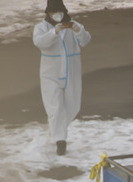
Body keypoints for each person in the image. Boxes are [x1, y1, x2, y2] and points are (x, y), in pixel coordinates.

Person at [33, 0, 91, 156]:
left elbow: (85, 41)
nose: (56, 15)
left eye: (59, 12)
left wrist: (78, 31)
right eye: (53, 13)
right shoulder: (41, 28)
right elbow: (39, 42)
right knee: (54, 107)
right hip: (50, 74)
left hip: (71, 72)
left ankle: (57, 127)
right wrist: (54, 32)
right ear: (48, 13)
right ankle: (60, 140)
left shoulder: (73, 25)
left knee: (73, 106)